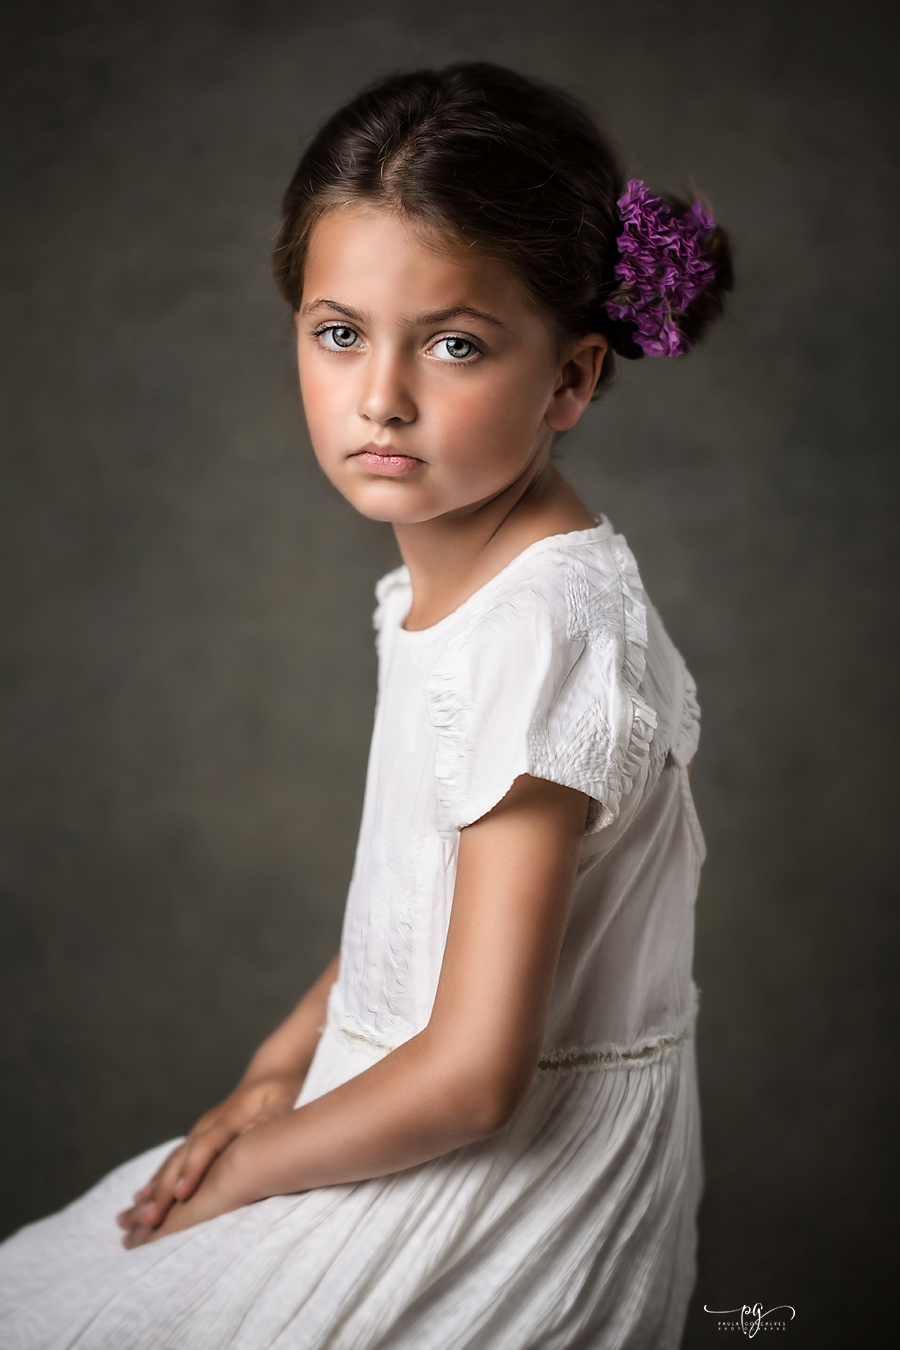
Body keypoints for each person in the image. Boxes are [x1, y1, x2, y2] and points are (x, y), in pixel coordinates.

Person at [0, 62, 732, 1349]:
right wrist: (285, 1060)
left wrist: (244, 1175)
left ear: (568, 380)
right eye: (340, 332)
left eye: (454, 344)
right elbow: (435, 895)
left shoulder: (545, 632)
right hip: (381, 1089)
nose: (380, 397)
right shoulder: (452, 584)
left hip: (505, 1188)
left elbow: (471, 1079)